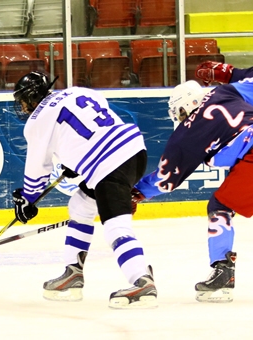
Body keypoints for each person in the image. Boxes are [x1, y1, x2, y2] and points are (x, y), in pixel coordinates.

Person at [11, 71, 157, 309]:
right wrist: (74, 159)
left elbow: (38, 169)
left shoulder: (37, 121)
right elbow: (93, 126)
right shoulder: (79, 91)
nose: (23, 106)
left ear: (30, 98)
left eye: (23, 100)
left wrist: (28, 199)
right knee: (80, 205)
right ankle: (72, 273)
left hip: (108, 165)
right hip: (134, 151)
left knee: (116, 226)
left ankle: (141, 280)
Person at [133, 63, 253, 303]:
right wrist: (229, 72)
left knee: (219, 206)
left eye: (179, 112)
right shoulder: (227, 91)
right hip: (246, 154)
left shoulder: (187, 132)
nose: (180, 118)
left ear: (187, 105)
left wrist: (136, 193)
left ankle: (223, 272)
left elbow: (165, 180)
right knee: (228, 194)